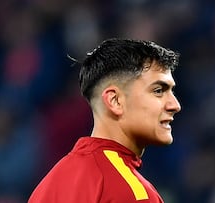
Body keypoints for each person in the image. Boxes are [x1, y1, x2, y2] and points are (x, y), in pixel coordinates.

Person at [28, 38, 181, 203]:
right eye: (158, 91)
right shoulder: (134, 194)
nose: (175, 105)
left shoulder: (49, 185)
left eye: (171, 92)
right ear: (115, 101)